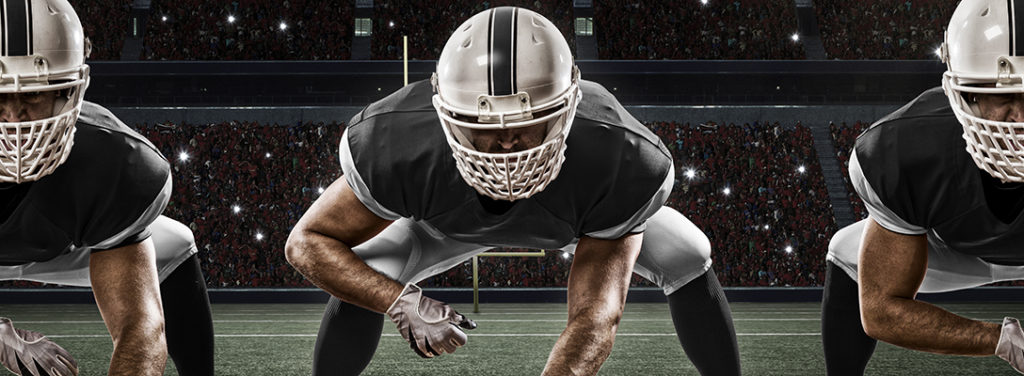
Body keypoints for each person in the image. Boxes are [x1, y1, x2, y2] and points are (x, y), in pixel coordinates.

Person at [286, 6, 740, 376]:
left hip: (577, 217)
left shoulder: (621, 156)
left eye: (530, 124)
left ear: (570, 106)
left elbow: (595, 315)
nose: (507, 145)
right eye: (482, 126)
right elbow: (305, 242)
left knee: (688, 254)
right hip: (440, 223)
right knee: (370, 268)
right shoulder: (396, 143)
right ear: (443, 114)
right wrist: (399, 299)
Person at [0, 1, 213, 375]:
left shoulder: (111, 162)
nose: (15, 120)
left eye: (33, 94)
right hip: (42, 230)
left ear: (71, 91)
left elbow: (141, 329)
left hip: (55, 238)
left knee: (174, 245)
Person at [821, 0, 1024, 374]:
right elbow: (882, 311)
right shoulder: (904, 149)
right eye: (1004, 94)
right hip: (963, 248)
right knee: (848, 252)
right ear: (964, 93)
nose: (1022, 118)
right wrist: (1002, 340)